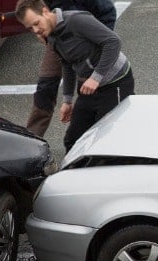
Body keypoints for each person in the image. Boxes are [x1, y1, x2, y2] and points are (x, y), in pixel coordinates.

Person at [16, 0, 134, 151]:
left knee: (105, 139)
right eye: (30, 28)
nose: (35, 30)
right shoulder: (52, 36)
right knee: (73, 140)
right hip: (89, 87)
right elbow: (67, 64)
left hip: (115, 81)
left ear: (45, 11)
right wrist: (67, 100)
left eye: (36, 23)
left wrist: (95, 77)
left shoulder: (76, 20)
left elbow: (113, 41)